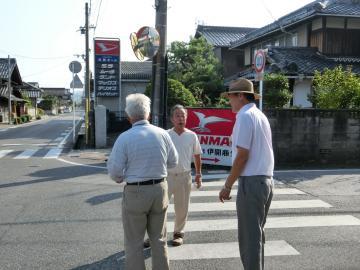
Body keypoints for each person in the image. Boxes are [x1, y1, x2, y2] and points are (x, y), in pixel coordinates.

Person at [107, 93, 178, 270]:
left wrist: (120, 178)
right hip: (159, 189)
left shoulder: (124, 137)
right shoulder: (162, 134)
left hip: (136, 191)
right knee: (159, 239)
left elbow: (115, 171)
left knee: (134, 241)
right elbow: (174, 162)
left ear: (129, 116)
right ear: (147, 113)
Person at [218, 78, 274, 270]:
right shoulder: (259, 115)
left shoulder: (244, 116)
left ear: (240, 96)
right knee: (256, 235)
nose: (229, 101)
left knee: (249, 239)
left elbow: (242, 156)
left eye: (231, 96)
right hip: (265, 180)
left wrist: (227, 185)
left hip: (251, 181)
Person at [144, 104, 202, 248]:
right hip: (166, 177)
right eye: (177, 115)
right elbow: (158, 155)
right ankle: (155, 236)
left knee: (182, 208)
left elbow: (197, 155)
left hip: (184, 176)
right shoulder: (166, 135)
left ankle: (178, 234)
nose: (181, 118)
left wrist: (199, 174)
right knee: (159, 208)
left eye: (183, 115)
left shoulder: (192, 135)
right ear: (172, 119)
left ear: (186, 118)